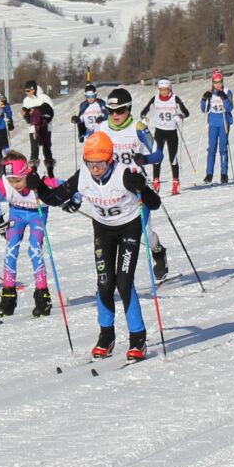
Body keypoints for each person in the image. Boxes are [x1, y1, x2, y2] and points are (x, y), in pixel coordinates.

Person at [26, 131, 164, 360]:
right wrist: (38, 186)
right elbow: (54, 198)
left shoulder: (124, 175)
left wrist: (143, 188)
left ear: (110, 160)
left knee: (123, 281)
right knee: (104, 282)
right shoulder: (83, 176)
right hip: (103, 229)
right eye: (90, 164)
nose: (95, 169)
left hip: (129, 227)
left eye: (100, 163)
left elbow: (155, 204)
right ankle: (106, 336)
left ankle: (138, 340)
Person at [98, 87, 168, 278]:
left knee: (144, 232)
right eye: (111, 111)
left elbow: (159, 154)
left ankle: (159, 251)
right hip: (113, 190)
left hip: (137, 186)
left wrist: (144, 159)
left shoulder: (138, 127)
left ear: (128, 108)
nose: (115, 115)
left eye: (120, 110)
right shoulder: (102, 128)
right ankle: (117, 278)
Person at [0, 150, 50, 318]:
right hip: (17, 213)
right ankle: (8, 297)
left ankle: (42, 297)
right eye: (11, 180)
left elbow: (65, 187)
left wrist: (74, 200)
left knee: (34, 249)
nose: (15, 185)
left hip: (37, 214)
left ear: (25, 173)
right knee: (11, 248)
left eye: (18, 180)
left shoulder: (37, 180)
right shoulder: (3, 184)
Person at [140, 79, 191, 195]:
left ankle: (175, 182)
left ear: (170, 89)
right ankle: (156, 182)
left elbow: (186, 112)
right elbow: (144, 111)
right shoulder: (155, 99)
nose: (163, 92)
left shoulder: (175, 99)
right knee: (157, 157)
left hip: (171, 131)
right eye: (161, 90)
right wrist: (144, 117)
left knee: (173, 158)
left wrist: (180, 115)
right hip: (159, 131)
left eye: (165, 90)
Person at [199, 70, 234, 184]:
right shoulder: (210, 93)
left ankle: (224, 174)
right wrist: (204, 99)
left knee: (223, 148)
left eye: (219, 82)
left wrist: (224, 98)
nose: (218, 85)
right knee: (211, 149)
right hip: (213, 123)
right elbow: (204, 109)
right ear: (212, 82)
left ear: (222, 81)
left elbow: (229, 108)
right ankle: (209, 174)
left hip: (224, 122)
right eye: (215, 82)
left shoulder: (227, 92)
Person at [19, 80, 57, 177]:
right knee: (34, 150)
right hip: (33, 128)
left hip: (45, 127)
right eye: (25, 91)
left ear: (34, 90)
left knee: (46, 149)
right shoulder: (26, 100)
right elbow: (26, 116)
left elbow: (50, 112)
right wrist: (26, 114)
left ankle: (50, 172)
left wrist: (37, 111)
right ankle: (33, 173)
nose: (26, 93)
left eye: (28, 91)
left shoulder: (44, 98)